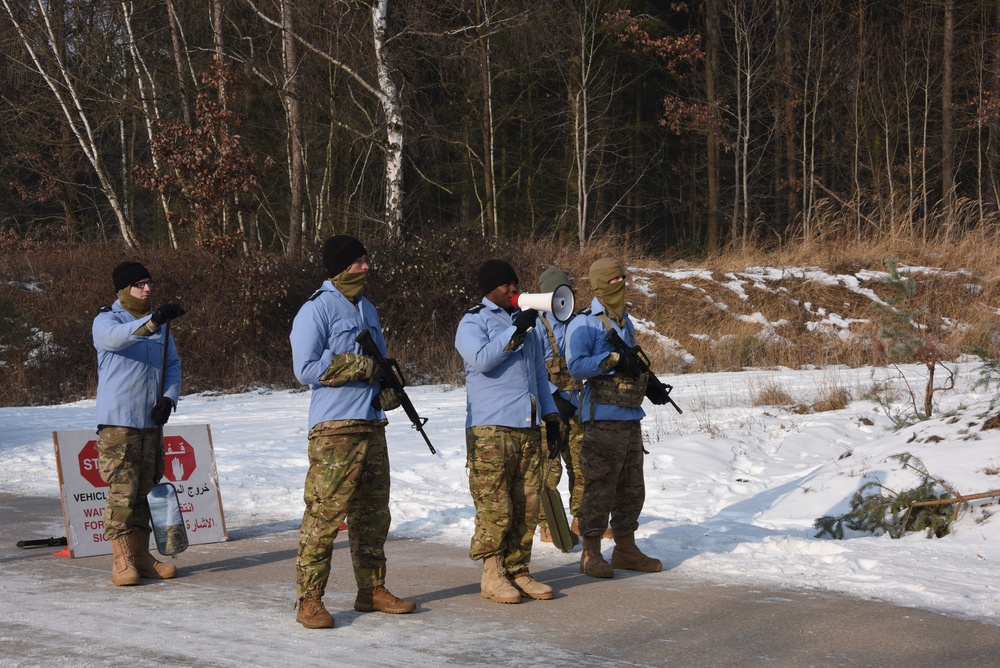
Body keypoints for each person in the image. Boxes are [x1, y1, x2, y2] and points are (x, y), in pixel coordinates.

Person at [290, 235, 415, 629]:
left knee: (373, 516)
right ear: (341, 266)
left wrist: (388, 386)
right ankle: (309, 600)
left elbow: (379, 360)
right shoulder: (317, 309)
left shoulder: (368, 309)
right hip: (335, 429)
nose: (366, 267)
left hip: (371, 424)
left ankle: (371, 590)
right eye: (359, 261)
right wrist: (361, 367)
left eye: (365, 259)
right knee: (325, 516)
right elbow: (305, 368)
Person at [455, 259, 562, 604]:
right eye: (506, 285)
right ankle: (492, 573)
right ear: (490, 289)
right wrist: (515, 331)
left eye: (516, 283)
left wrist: (553, 416)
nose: (514, 289)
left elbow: (540, 378)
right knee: (495, 506)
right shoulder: (473, 321)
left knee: (527, 504)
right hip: (490, 428)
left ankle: (518, 570)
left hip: (527, 426)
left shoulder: (528, 325)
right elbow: (483, 359)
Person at [566, 257, 662, 578]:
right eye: (613, 280)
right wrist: (610, 359)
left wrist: (651, 386)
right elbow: (576, 366)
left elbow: (632, 363)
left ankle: (625, 549)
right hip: (602, 418)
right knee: (599, 484)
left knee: (632, 485)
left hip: (630, 415)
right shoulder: (584, 323)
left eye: (623, 278)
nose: (621, 285)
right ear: (599, 284)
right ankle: (590, 554)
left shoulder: (626, 322)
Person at [92, 261, 185, 586]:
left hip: (150, 422)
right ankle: (122, 561)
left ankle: (142, 557)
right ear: (123, 289)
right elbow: (118, 339)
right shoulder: (107, 320)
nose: (147, 289)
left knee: (145, 490)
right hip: (120, 423)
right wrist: (154, 319)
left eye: (149, 283)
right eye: (139, 284)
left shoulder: (160, 327)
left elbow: (172, 364)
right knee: (124, 491)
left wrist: (169, 400)